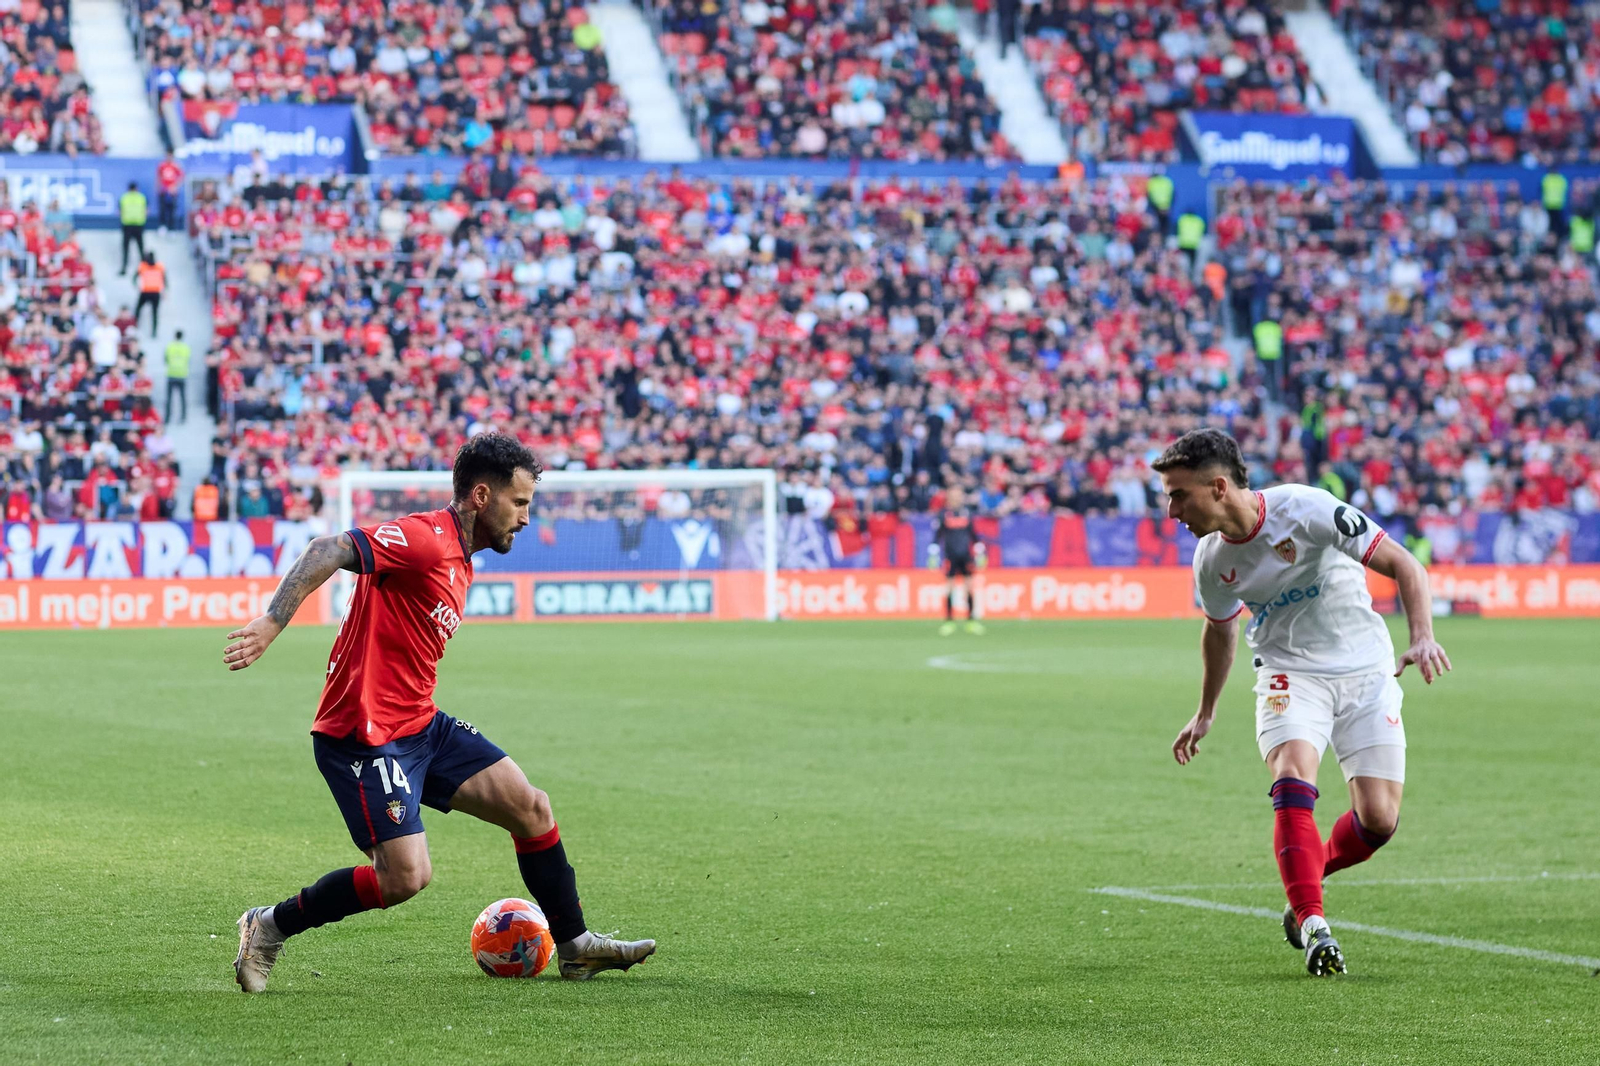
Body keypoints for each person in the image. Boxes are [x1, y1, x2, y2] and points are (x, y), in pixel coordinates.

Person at [225, 433, 655, 992]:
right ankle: (268, 926)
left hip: (420, 725)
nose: (525, 518)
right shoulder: (426, 539)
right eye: (519, 503)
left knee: (530, 807)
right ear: (482, 495)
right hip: (364, 734)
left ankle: (574, 947)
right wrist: (271, 622)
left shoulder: (463, 557)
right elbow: (325, 549)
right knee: (405, 876)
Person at [1153, 429, 1451, 978]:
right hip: (1289, 674)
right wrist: (1206, 710)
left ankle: (1305, 887)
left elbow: (1406, 565)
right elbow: (1218, 632)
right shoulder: (1210, 559)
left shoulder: (1308, 508)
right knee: (1293, 778)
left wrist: (1423, 634)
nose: (1170, 510)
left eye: (1178, 495)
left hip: (1365, 668)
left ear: (1219, 487)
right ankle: (1315, 926)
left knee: (1380, 821)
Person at [932, 487, 984, 636]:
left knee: (969, 587)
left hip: (966, 556)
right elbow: (937, 535)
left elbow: (973, 534)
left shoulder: (966, 513)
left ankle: (971, 621)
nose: (957, 498)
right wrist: (934, 552)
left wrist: (979, 550)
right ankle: (949, 621)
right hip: (950, 556)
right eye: (954, 496)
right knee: (949, 588)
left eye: (959, 495)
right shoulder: (943, 515)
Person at [119, 181, 148, 274]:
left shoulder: (124, 198)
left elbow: (120, 211)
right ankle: (144, 268)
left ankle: (124, 267)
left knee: (126, 248)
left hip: (127, 225)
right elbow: (146, 211)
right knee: (140, 247)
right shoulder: (141, 198)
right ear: (136, 188)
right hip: (138, 225)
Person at [164, 330, 191, 423]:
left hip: (171, 373)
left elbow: (166, 359)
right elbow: (188, 360)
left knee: (169, 398)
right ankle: (183, 417)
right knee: (183, 398)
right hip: (182, 374)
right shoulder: (185, 347)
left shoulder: (170, 346)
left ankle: (167, 417)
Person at [136, 253, 165, 336]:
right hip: (149, 291)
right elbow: (164, 279)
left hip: (150, 291)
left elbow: (135, 278)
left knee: (152, 312)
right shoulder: (145, 266)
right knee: (150, 312)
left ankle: (154, 331)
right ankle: (152, 331)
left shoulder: (157, 267)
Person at [157, 152, 185, 232]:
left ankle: (172, 228)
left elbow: (181, 177)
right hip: (163, 190)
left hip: (172, 191)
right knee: (162, 209)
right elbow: (158, 177)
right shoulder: (162, 165)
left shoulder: (176, 165)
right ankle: (162, 226)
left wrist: (175, 186)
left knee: (172, 210)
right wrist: (158, 188)